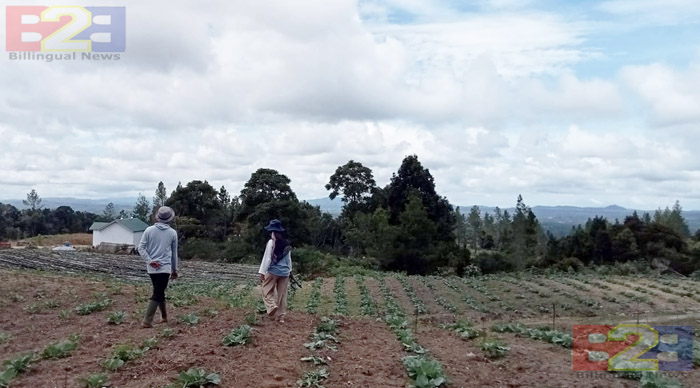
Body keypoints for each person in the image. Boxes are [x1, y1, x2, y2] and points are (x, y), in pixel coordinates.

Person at [138, 206, 179, 328]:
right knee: (158, 292)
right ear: (169, 219)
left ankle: (164, 317)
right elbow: (174, 253)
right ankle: (147, 321)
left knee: (159, 291)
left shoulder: (148, 230)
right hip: (165, 268)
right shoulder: (172, 233)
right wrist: (175, 269)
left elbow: (141, 248)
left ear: (158, 217)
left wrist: (150, 261)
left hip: (152, 269)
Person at [258, 219, 292, 323]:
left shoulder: (271, 242)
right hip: (285, 272)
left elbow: (267, 258)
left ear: (272, 232)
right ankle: (281, 317)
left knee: (266, 290)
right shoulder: (286, 243)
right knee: (282, 295)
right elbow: (288, 259)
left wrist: (262, 272)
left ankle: (272, 306)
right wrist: (290, 271)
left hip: (273, 271)